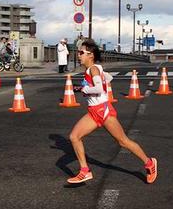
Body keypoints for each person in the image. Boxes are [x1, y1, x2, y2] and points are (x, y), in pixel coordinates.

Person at [67, 38, 157, 184]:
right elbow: (108, 78)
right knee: (74, 137)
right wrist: (90, 86)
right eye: (78, 52)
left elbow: (100, 88)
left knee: (123, 141)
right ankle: (85, 171)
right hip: (93, 111)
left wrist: (84, 88)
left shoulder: (93, 69)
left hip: (103, 110)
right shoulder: (95, 69)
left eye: (81, 52)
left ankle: (149, 163)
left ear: (90, 55)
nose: (78, 55)